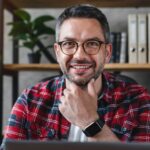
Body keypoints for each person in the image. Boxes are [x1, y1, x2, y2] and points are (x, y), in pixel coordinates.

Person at [1, 4, 150, 149]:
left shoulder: (139, 100)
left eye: (92, 43)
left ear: (107, 52)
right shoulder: (30, 101)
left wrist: (90, 122)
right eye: (69, 43)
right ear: (58, 52)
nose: (79, 55)